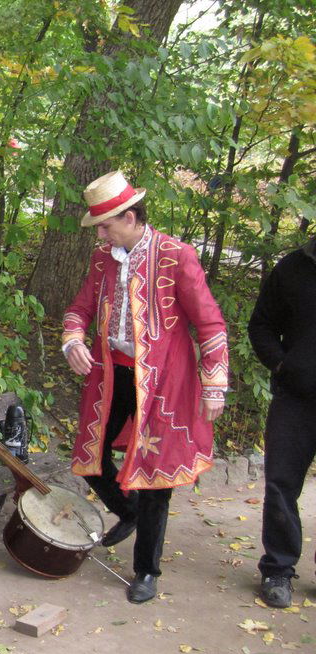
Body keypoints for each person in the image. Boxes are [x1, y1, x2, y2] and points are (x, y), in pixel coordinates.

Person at [61, 170, 229, 604]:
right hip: (111, 373)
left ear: (131, 217)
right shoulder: (103, 259)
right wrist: (73, 340)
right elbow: (80, 307)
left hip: (164, 382)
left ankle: (146, 570)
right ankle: (128, 511)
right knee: (91, 457)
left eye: (105, 226)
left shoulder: (177, 256)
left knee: (156, 476)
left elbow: (210, 323)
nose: (100, 235)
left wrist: (214, 384)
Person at [248, 235, 316, 608]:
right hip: (296, 399)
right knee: (281, 485)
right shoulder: (293, 268)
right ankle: (278, 569)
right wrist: (282, 365)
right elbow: (261, 324)